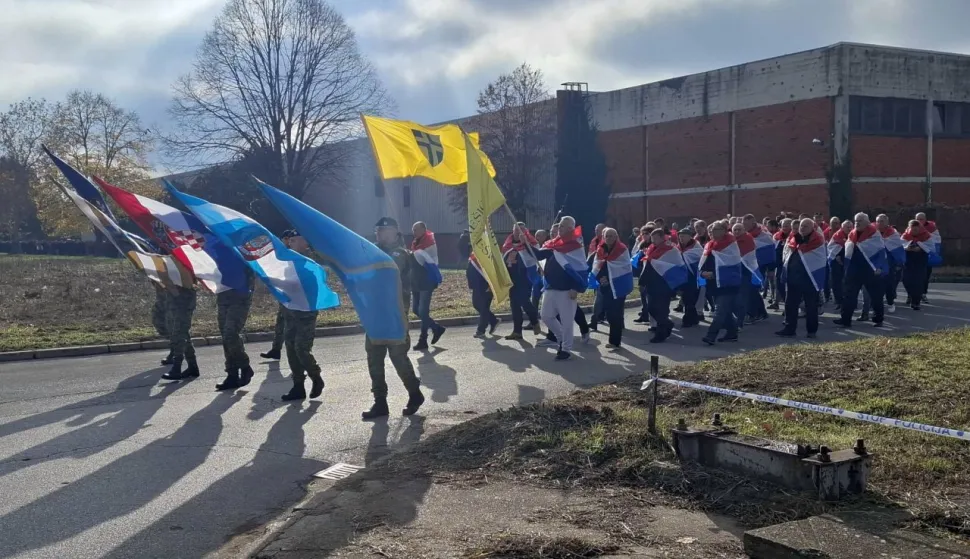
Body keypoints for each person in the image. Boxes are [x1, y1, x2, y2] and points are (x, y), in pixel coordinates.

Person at [364, 217, 425, 420]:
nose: (379, 234)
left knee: (398, 356)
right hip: (376, 312)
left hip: (395, 312)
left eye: (383, 230)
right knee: (374, 357)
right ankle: (380, 402)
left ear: (394, 232)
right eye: (377, 230)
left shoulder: (400, 253)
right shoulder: (373, 250)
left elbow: (387, 269)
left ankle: (414, 393)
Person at [534, 216, 587, 361]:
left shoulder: (575, 246)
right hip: (550, 287)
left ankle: (566, 349)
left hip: (567, 290)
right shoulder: (553, 244)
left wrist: (576, 287)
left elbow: (581, 269)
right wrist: (525, 241)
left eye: (562, 226)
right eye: (560, 226)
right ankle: (561, 338)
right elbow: (538, 255)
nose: (559, 229)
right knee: (546, 316)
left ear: (570, 229)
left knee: (567, 320)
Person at [834, 213, 887, 329]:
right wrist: (841, 257)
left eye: (860, 221)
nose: (857, 223)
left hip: (870, 269)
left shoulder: (874, 234)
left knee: (875, 296)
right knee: (849, 295)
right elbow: (848, 247)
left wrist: (879, 267)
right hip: (854, 269)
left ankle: (878, 319)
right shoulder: (852, 233)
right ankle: (845, 319)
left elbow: (880, 252)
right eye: (856, 221)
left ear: (867, 222)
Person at [777, 218, 826, 339]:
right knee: (790, 305)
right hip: (793, 278)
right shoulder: (794, 238)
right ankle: (789, 328)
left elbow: (818, 259)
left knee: (811, 306)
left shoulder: (817, 240)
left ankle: (811, 331)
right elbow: (787, 254)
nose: (802, 228)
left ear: (812, 228)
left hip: (810, 278)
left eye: (805, 226)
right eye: (801, 226)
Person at [699, 221, 743, 345]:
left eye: (716, 229)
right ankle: (732, 333)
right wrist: (702, 273)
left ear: (724, 230)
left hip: (727, 284)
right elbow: (703, 262)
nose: (712, 231)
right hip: (713, 283)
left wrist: (715, 274)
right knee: (725, 311)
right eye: (712, 229)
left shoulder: (730, 244)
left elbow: (732, 266)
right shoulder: (710, 245)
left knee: (719, 311)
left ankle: (710, 336)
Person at [215, 267, 257, 391]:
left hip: (239, 296)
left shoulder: (238, 251)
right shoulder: (216, 251)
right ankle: (232, 375)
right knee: (225, 336)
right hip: (223, 295)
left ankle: (245, 366)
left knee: (230, 333)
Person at [590, 228, 632, 349]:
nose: (609, 238)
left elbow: (624, 266)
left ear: (616, 236)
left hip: (618, 285)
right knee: (609, 314)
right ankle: (614, 340)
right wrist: (600, 278)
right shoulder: (600, 249)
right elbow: (596, 265)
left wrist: (611, 277)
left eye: (611, 236)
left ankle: (615, 341)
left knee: (616, 314)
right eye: (606, 236)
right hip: (605, 286)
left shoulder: (622, 249)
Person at [260, 230, 298, 360]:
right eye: (286, 239)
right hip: (285, 295)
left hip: (296, 297)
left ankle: (298, 356)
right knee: (280, 323)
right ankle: (276, 349)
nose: (286, 242)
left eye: (289, 239)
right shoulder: (282, 254)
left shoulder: (295, 254)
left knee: (293, 328)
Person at [641, 228, 682, 343]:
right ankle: (667, 324)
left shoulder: (671, 250)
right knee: (651, 308)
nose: (653, 240)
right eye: (652, 238)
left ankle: (661, 333)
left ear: (662, 237)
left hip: (665, 284)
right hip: (652, 283)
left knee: (662, 309)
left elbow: (677, 265)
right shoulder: (651, 248)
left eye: (655, 238)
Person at [410, 221, 446, 350]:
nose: (413, 232)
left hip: (427, 281)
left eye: (416, 229)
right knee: (415, 309)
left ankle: (423, 340)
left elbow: (423, 259)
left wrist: (411, 255)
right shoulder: (416, 241)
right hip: (417, 281)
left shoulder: (429, 242)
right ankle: (436, 328)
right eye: (413, 230)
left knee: (423, 311)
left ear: (423, 229)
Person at [503, 224, 542, 340]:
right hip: (512, 278)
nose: (517, 232)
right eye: (515, 230)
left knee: (524, 301)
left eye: (520, 230)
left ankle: (534, 321)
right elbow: (503, 258)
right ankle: (517, 331)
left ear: (525, 231)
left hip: (525, 277)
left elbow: (535, 256)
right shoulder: (507, 244)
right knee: (514, 305)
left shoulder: (531, 243)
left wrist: (525, 244)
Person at [160, 283, 200, 382]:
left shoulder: (181, 267)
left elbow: (187, 279)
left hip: (183, 298)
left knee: (179, 334)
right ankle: (192, 366)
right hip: (177, 298)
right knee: (183, 333)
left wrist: (174, 290)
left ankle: (177, 367)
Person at [902, 219, 936, 311]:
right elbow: (900, 246)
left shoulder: (926, 235)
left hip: (920, 261)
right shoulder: (905, 235)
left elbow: (931, 248)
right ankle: (911, 294)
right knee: (906, 280)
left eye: (916, 230)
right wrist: (907, 248)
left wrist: (921, 248)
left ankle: (916, 302)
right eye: (912, 230)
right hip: (908, 261)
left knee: (918, 281)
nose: (914, 232)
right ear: (909, 228)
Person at [875, 214, 904, 313]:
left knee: (889, 284)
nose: (880, 223)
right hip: (876, 263)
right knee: (876, 284)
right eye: (878, 221)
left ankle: (890, 302)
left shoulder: (893, 233)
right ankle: (875, 304)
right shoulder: (872, 232)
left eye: (882, 221)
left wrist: (898, 264)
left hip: (889, 263)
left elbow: (896, 247)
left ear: (887, 222)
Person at [467, 253, 499, 338]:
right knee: (476, 304)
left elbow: (493, 269)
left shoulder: (489, 251)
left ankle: (481, 330)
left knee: (484, 306)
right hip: (477, 285)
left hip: (486, 284)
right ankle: (493, 320)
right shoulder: (475, 253)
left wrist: (491, 284)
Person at [678, 227, 703, 328]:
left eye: (683, 236)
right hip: (683, 277)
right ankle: (694, 318)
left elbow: (701, 261)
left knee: (690, 298)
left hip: (694, 277)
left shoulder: (697, 248)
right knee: (686, 298)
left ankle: (687, 319)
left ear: (689, 237)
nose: (681, 239)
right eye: (680, 237)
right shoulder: (678, 247)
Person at [915, 212, 941, 303]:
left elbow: (936, 240)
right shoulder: (912, 227)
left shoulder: (932, 228)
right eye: (917, 219)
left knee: (925, 276)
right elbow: (907, 239)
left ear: (925, 219)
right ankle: (912, 295)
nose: (919, 221)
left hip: (927, 255)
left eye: (921, 219)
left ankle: (923, 294)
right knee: (913, 277)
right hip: (915, 255)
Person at [827, 220, 851, 311]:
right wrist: (836, 256)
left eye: (850, 226)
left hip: (848, 260)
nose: (849, 228)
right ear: (842, 227)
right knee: (836, 282)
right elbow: (831, 247)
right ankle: (839, 301)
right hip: (836, 261)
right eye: (847, 227)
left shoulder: (853, 235)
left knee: (848, 282)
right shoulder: (837, 235)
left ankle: (849, 301)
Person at [588, 223, 607, 329]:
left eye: (599, 229)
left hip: (605, 274)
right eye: (595, 229)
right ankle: (596, 319)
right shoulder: (594, 240)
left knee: (603, 297)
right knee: (598, 296)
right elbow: (590, 254)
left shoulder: (608, 242)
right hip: (596, 272)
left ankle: (617, 320)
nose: (596, 231)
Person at [152, 283, 173, 365]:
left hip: (173, 294)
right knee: (158, 320)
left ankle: (176, 352)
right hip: (162, 294)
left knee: (173, 324)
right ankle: (180, 349)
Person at [531, 229, 549, 312]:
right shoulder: (535, 246)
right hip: (538, 275)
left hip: (547, 276)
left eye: (539, 235)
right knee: (534, 298)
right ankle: (534, 321)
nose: (536, 237)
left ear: (545, 236)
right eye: (536, 235)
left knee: (548, 300)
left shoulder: (549, 246)